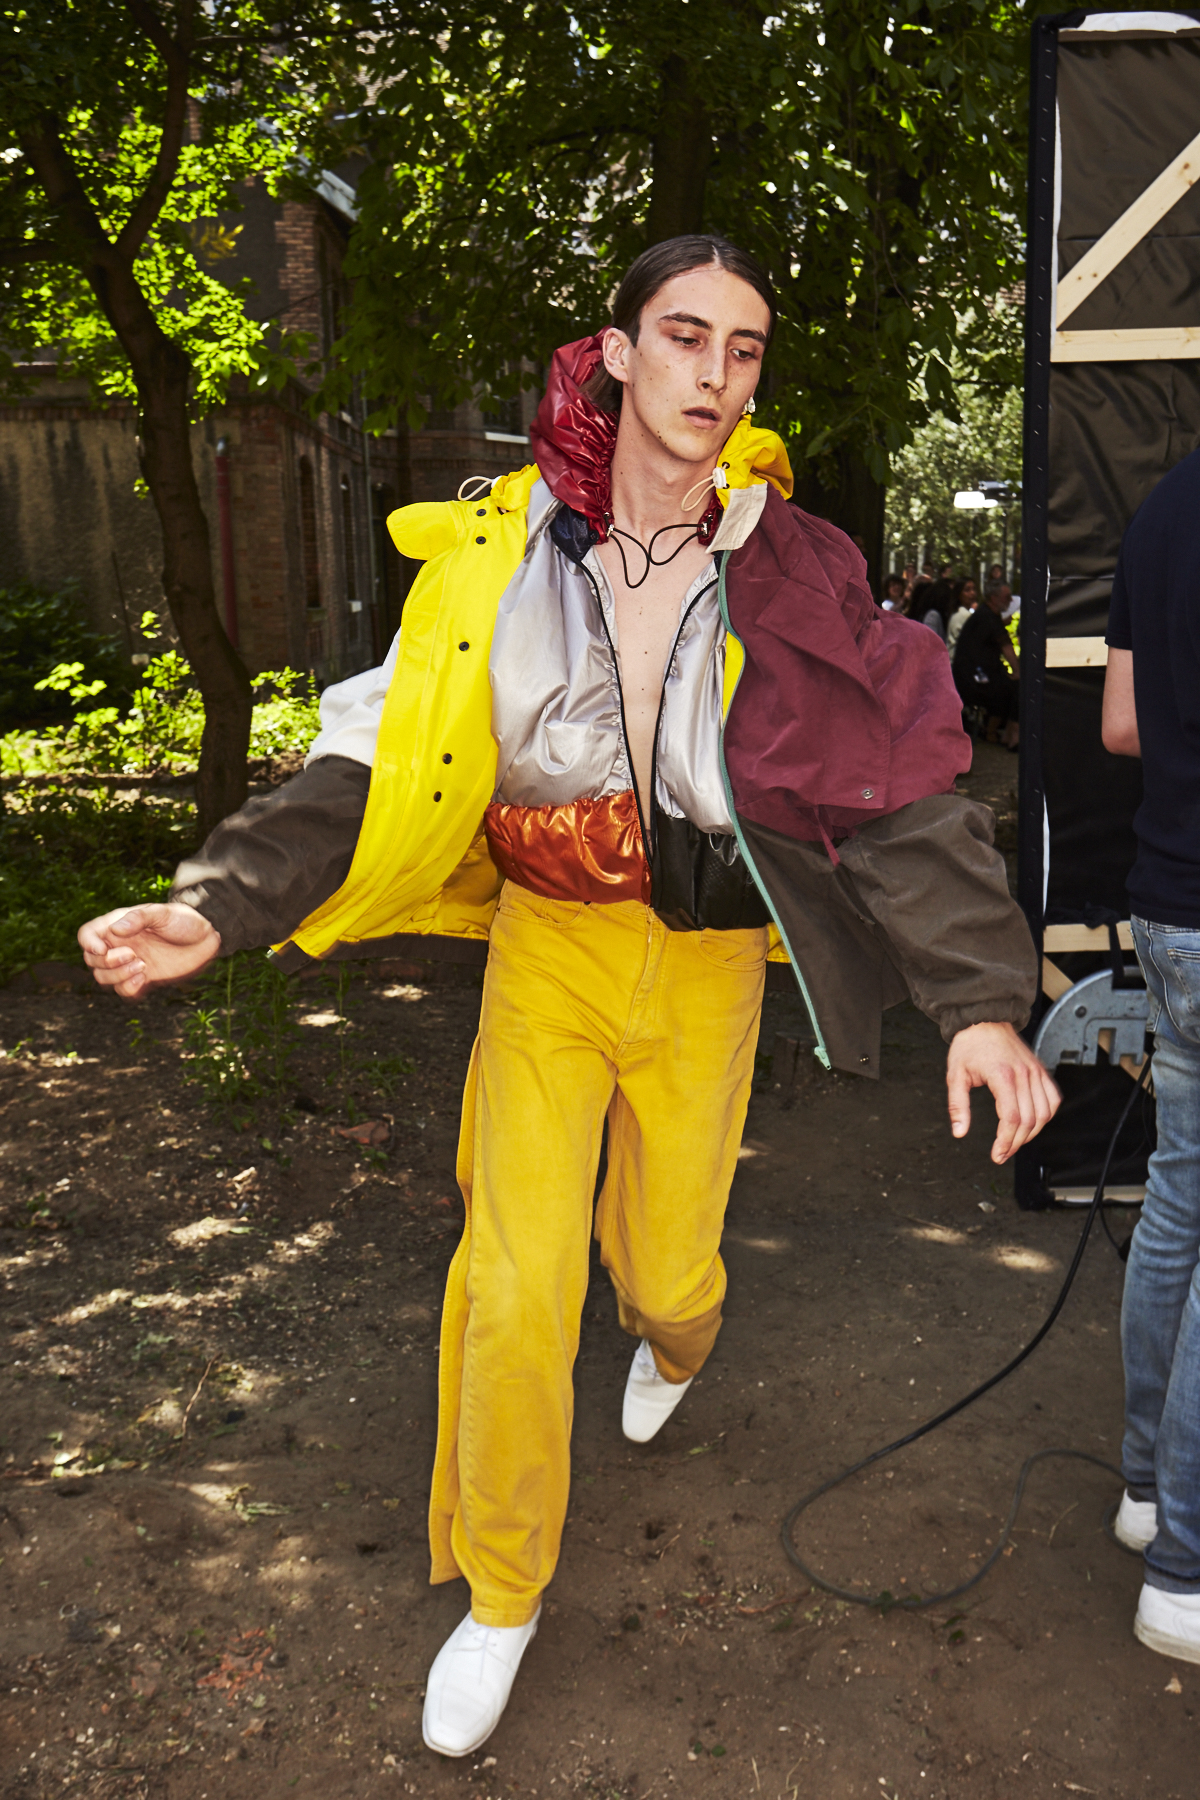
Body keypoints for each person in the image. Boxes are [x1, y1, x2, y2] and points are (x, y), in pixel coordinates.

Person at [78, 236, 1059, 1754]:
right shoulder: (496, 553)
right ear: (617, 352)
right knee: (514, 1280)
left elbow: (896, 788)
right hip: (549, 947)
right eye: (684, 338)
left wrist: (982, 998)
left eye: (744, 350)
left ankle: (673, 1338)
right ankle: (503, 1586)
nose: (716, 377)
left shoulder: (793, 563)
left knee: (665, 1271)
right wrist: (221, 904)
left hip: (711, 957)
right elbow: (374, 753)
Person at [1103, 444, 1200, 1664]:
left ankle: (1142, 1493)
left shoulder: (1162, 510)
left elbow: (1121, 725)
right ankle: (1184, 1568)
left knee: (1178, 1197)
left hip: (1169, 910)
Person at [953, 579, 1019, 748]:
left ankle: (999, 730)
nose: (1010, 601)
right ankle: (998, 732)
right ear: (994, 598)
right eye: (1007, 597)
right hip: (974, 679)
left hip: (972, 675)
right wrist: (1018, 670)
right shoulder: (988, 618)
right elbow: (1006, 646)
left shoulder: (986, 615)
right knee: (1013, 688)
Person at [946, 577, 979, 658]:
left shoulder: (958, 613)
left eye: (974, 589)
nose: (972, 593)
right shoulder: (963, 615)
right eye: (967, 590)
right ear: (959, 594)